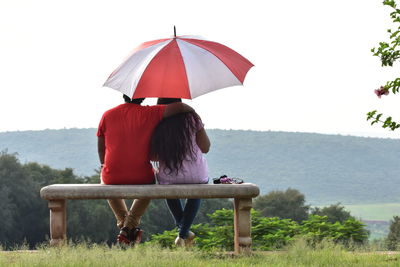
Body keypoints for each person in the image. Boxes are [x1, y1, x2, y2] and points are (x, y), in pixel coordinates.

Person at [97, 95, 194, 245]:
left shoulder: (107, 114)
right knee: (152, 183)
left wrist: (104, 165)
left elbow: (101, 147)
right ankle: (129, 225)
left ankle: (124, 225)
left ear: (123, 94)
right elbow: (181, 107)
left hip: (112, 176)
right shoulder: (151, 113)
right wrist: (193, 112)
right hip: (142, 175)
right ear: (142, 98)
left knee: (104, 180)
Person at [150, 98, 210, 247]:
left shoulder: (157, 122)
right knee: (196, 191)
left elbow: (153, 155)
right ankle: (183, 234)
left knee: (168, 189)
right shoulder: (192, 119)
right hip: (196, 174)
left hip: (169, 174)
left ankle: (183, 232)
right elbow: (206, 147)